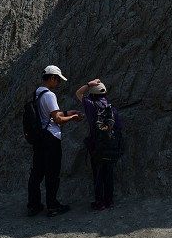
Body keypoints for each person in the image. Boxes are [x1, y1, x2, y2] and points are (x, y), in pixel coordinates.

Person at [27, 65, 82, 218]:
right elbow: (57, 119)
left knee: (37, 172)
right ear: (51, 78)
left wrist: (68, 112)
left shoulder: (37, 92)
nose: (58, 82)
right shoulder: (50, 95)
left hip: (39, 138)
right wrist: (73, 117)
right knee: (52, 173)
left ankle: (34, 205)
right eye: (57, 79)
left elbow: (47, 116)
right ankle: (52, 206)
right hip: (51, 138)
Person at [76, 78, 123, 211]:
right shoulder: (112, 109)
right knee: (109, 173)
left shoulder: (91, 105)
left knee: (98, 174)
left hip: (96, 147)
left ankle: (99, 202)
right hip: (111, 147)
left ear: (93, 94)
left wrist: (88, 84)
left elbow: (78, 94)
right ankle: (110, 201)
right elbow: (119, 127)